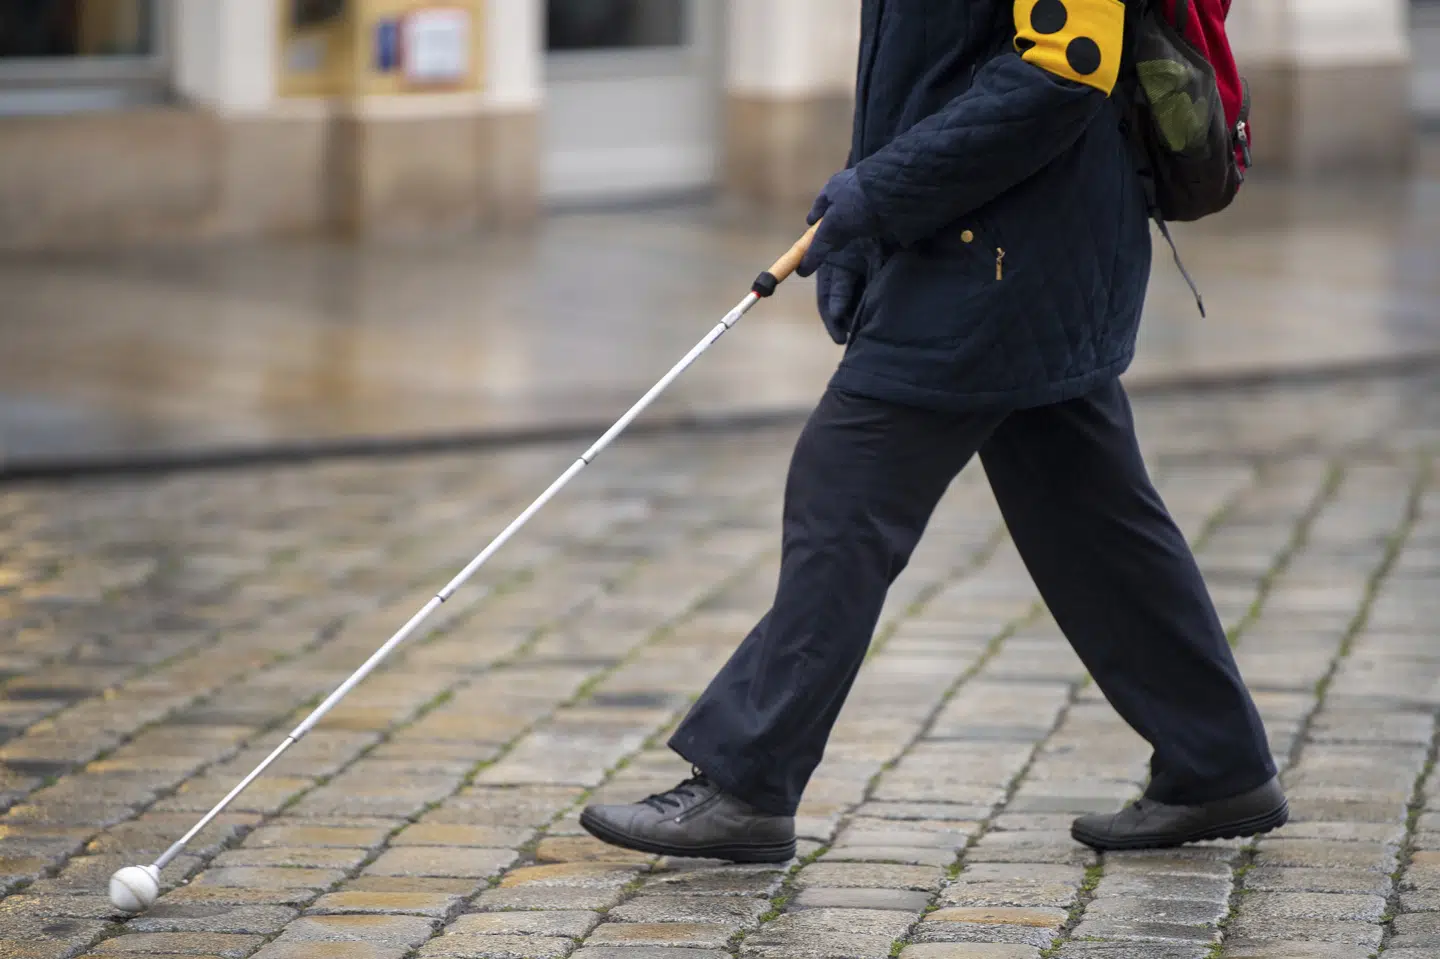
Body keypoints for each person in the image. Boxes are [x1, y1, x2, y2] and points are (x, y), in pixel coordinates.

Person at [579, 0, 1286, 862]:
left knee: (846, 482)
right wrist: (855, 227)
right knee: (1091, 515)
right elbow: (916, 67)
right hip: (995, 238)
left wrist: (878, 194)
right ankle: (1218, 762)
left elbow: (1064, 73)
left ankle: (748, 779)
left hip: (1013, 253)